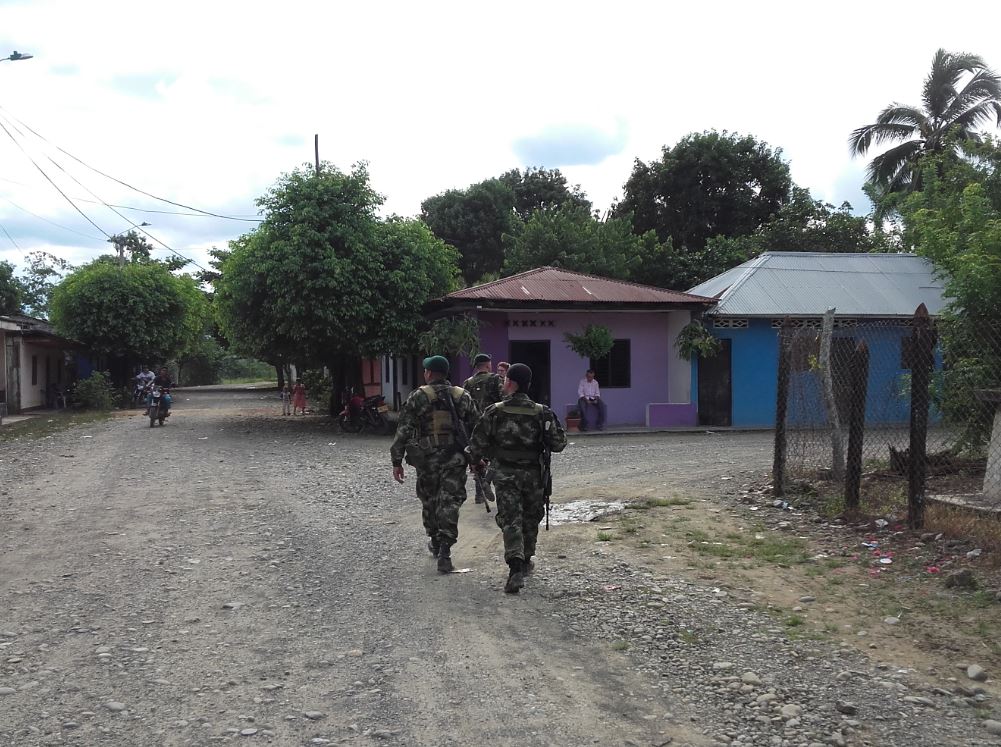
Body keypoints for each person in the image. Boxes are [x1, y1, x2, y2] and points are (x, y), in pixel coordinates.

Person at [467, 363, 567, 593]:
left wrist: (475, 460)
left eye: (505, 380)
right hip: (533, 476)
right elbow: (559, 443)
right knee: (531, 517)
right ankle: (526, 559)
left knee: (511, 519)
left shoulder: (494, 411)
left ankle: (515, 568)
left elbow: (477, 444)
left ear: (511, 383)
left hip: (505, 475)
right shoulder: (542, 412)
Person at [390, 355, 479, 573]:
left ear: (429, 373)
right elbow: (477, 428)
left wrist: (397, 460)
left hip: (427, 459)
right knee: (450, 501)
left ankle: (436, 540)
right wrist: (477, 458)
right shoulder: (462, 396)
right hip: (455, 459)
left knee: (429, 500)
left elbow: (403, 430)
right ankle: (445, 550)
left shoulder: (418, 397)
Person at [462, 353, 503, 504]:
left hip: (475, 426)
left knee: (478, 458)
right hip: (493, 424)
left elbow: (464, 406)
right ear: (487, 364)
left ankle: (479, 494)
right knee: (497, 457)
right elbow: (504, 398)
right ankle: (493, 484)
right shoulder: (495, 379)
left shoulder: (468, 383)